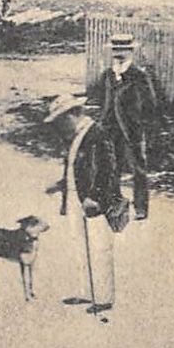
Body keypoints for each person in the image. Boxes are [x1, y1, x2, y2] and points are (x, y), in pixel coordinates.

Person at [43, 93, 127, 316]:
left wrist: (95, 196)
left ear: (74, 114)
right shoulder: (76, 136)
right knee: (79, 245)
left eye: (62, 119)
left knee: (99, 247)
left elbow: (108, 170)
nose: (60, 126)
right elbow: (76, 169)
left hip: (93, 200)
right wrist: (61, 185)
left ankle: (103, 297)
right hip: (74, 197)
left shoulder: (97, 134)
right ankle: (85, 291)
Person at [86, 32, 158, 220]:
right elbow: (101, 99)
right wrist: (101, 121)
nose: (119, 54)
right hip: (110, 129)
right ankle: (112, 203)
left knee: (138, 169)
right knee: (110, 166)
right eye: (116, 50)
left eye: (123, 50)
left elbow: (150, 106)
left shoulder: (139, 76)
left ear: (131, 51)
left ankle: (141, 208)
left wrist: (144, 129)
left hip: (132, 130)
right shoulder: (108, 75)